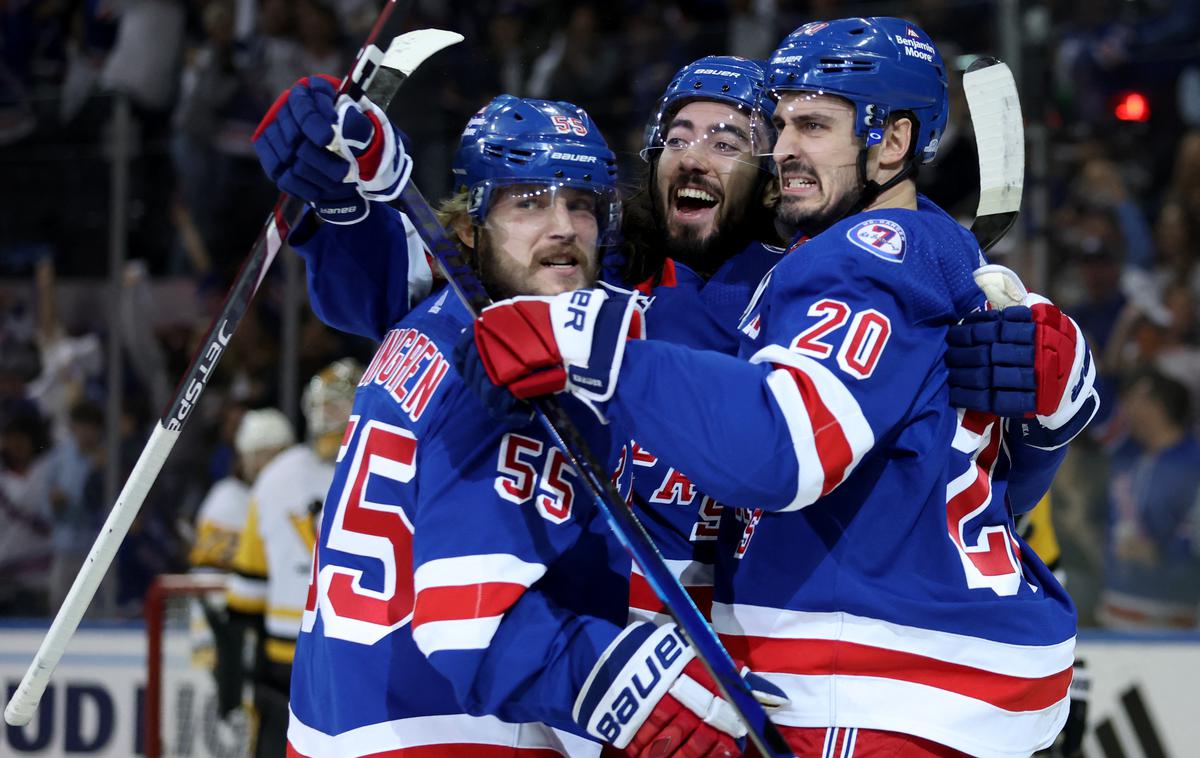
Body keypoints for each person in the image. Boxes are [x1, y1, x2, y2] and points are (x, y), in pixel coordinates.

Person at [470, 17, 1098, 756]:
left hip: (872, 678)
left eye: (813, 125)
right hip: (918, 672)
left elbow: (786, 448)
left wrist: (588, 342)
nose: (788, 147)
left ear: (892, 143)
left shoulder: (859, 255)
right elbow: (951, 480)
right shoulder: (935, 250)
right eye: (780, 124)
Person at [255, 82, 779, 757]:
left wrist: (336, 207)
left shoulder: (434, 321)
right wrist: (644, 698)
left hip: (333, 714)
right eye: (528, 202)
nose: (561, 224)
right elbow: (471, 624)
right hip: (450, 727)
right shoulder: (523, 368)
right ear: (470, 228)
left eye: (580, 204)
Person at [227, 362, 359, 758]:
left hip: (284, 660)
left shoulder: (274, 477)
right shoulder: (388, 459)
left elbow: (246, 595)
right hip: (350, 654)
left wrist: (232, 676)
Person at [1098, 368, 1200, 629]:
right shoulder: (1130, 455)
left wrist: (1161, 554)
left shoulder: (1192, 463)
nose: (1125, 408)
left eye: (1133, 399)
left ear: (1156, 406)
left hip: (1175, 615)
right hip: (1116, 606)